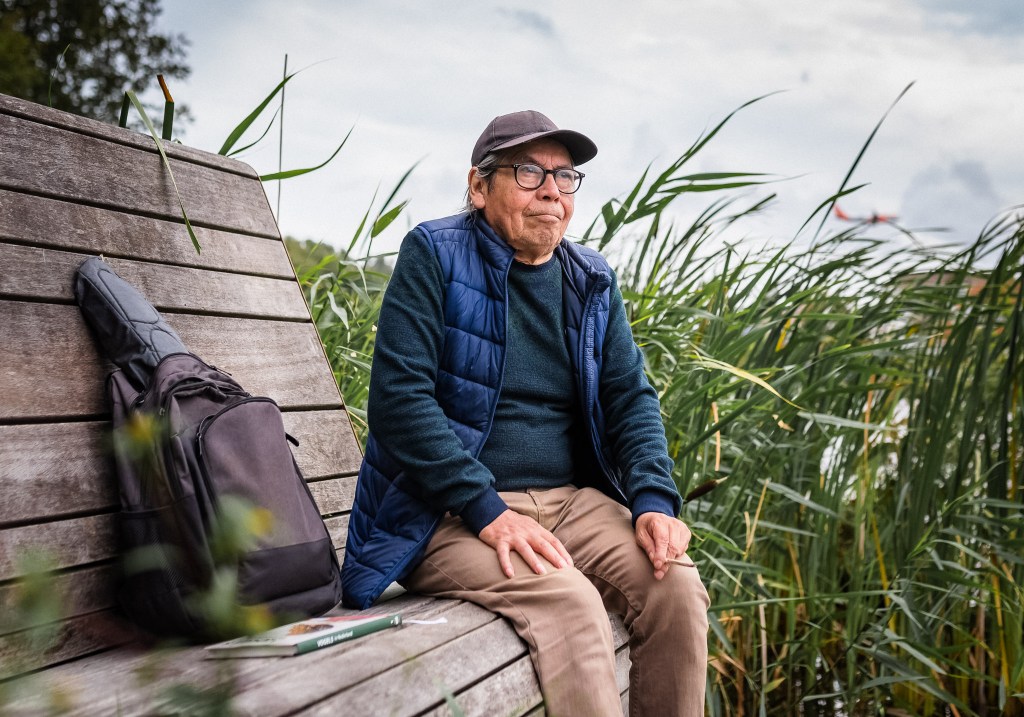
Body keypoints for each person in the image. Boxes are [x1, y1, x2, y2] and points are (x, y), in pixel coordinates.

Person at [341, 110, 710, 716]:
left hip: (569, 501)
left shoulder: (590, 278)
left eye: (565, 178)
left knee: (676, 588)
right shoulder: (433, 254)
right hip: (449, 512)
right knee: (569, 601)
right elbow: (399, 401)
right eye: (529, 171)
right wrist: (487, 510)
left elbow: (630, 396)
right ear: (479, 186)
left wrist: (652, 499)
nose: (551, 191)